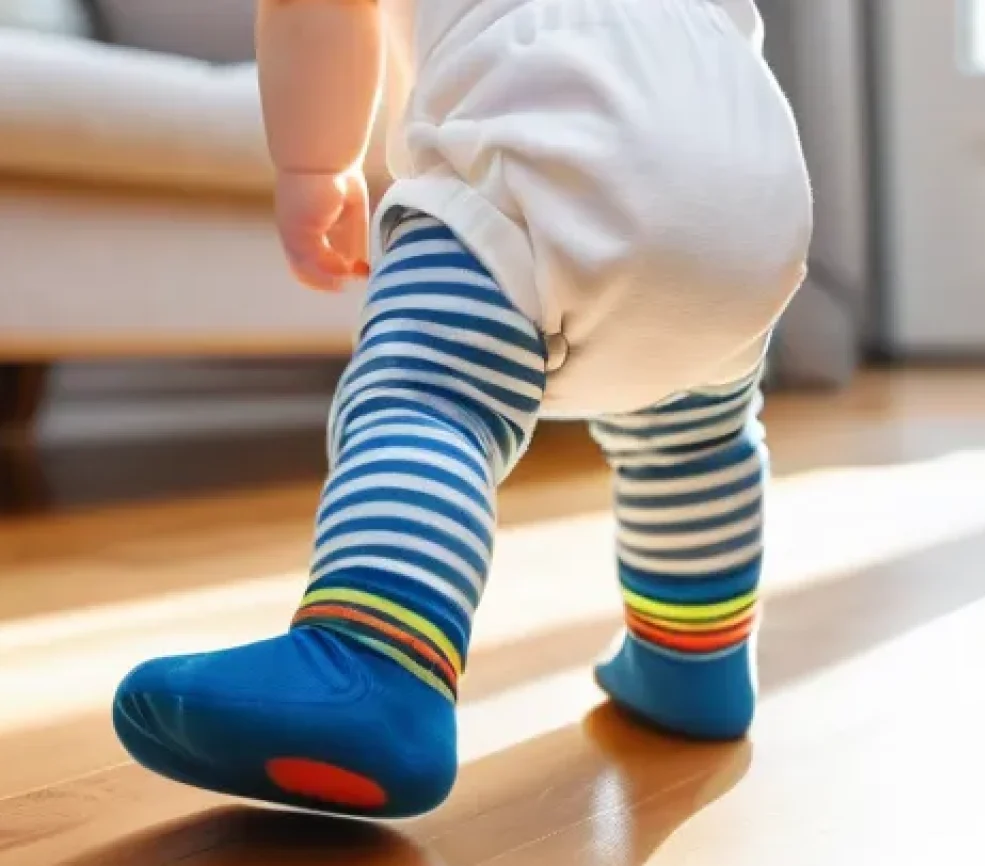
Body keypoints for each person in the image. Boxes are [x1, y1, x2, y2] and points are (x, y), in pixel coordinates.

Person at [113, 0, 812, 818]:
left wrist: (315, 165)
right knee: (695, 436)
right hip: (753, 175)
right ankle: (694, 660)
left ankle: (375, 663)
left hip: (549, 131)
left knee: (431, 396)